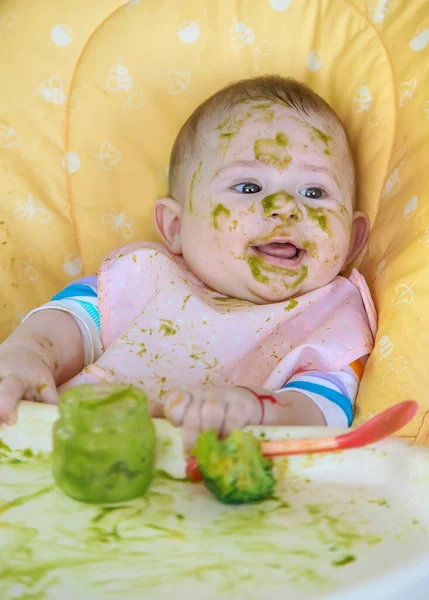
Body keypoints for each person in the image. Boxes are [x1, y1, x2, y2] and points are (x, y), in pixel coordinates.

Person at [0, 75, 377, 450]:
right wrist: (29, 355)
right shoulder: (147, 277)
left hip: (210, 494)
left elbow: (325, 410)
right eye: (249, 187)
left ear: (354, 238)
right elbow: (75, 320)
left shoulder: (331, 321)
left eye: (314, 192)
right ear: (176, 227)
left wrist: (257, 409)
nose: (284, 207)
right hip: (63, 453)